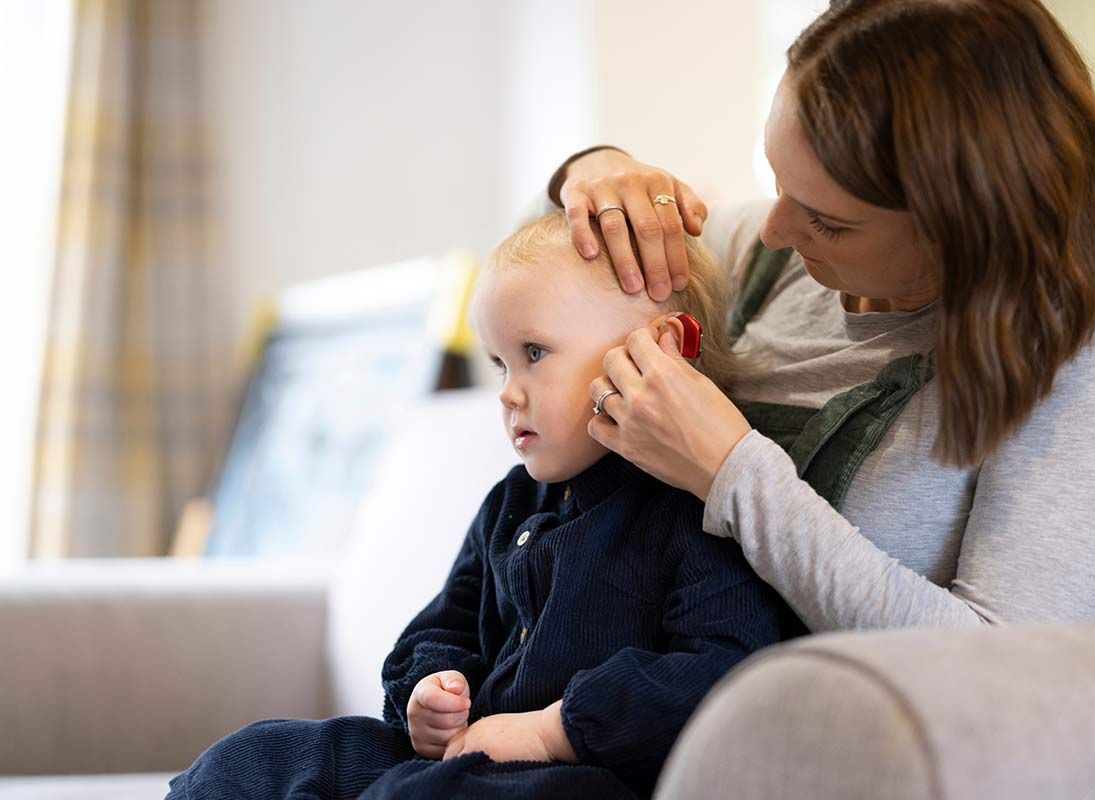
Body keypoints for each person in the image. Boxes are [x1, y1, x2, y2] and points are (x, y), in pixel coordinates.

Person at [540, 0, 1095, 635]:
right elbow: (535, 312)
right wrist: (593, 170)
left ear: (967, 229)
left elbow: (1004, 662)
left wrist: (730, 470)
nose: (772, 229)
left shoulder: (1091, 344)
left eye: (828, 223)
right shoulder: (766, 260)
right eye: (778, 179)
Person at [165, 212, 794, 800]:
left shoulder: (692, 506)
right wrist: (431, 688)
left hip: (583, 775)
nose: (509, 393)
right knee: (257, 757)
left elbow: (727, 671)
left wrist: (555, 730)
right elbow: (448, 619)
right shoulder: (512, 501)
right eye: (499, 364)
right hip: (462, 755)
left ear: (659, 353)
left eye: (535, 355)